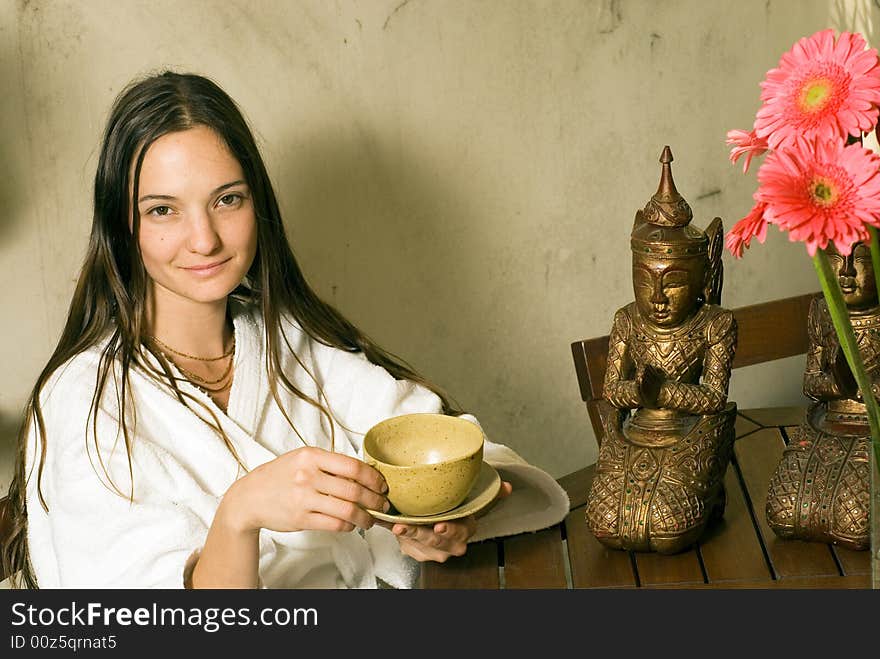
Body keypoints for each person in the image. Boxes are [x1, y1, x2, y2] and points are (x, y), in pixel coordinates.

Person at [1, 71, 568, 589]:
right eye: (163, 210)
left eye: (227, 200)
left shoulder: (290, 340)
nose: (205, 239)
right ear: (122, 225)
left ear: (257, 203)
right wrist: (240, 514)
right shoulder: (82, 401)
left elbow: (442, 445)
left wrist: (441, 520)